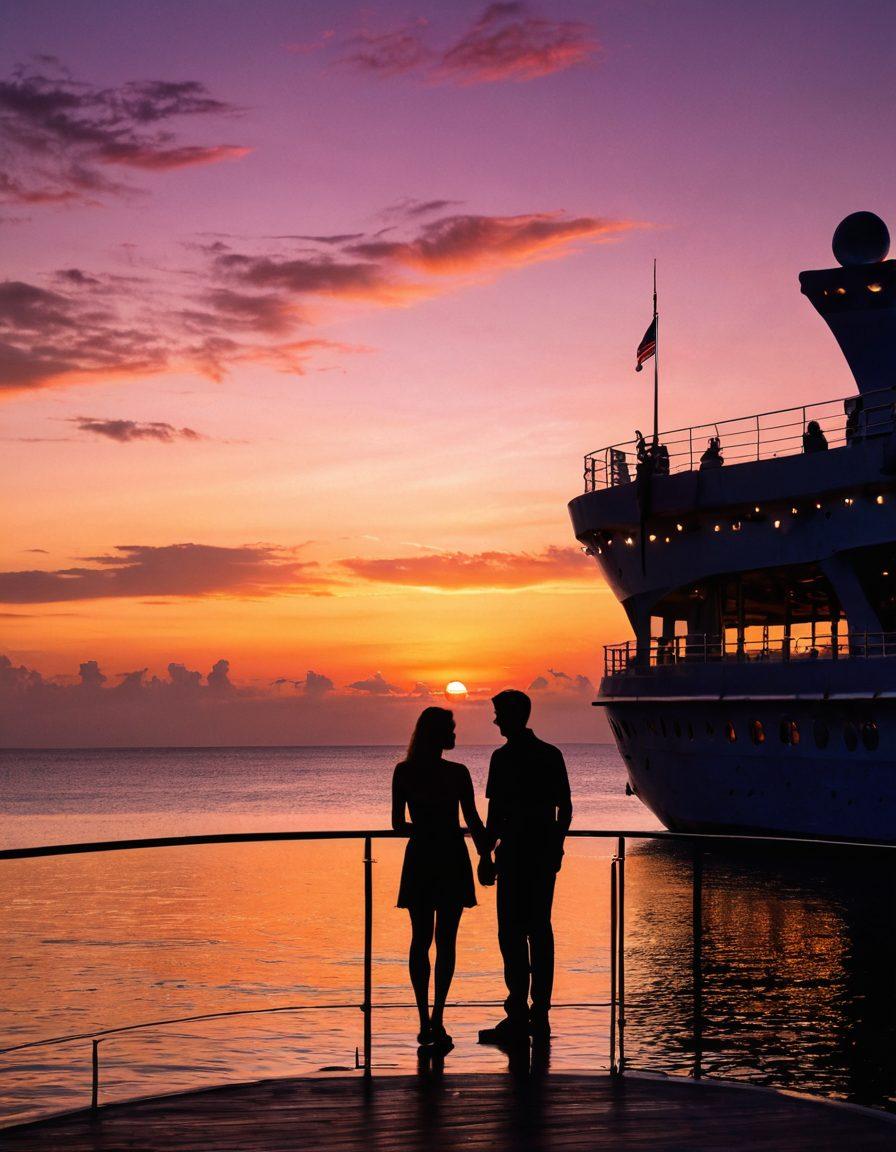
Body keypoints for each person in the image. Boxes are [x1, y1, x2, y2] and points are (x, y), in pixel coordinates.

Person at [478, 690, 572, 1046]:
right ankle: (536, 1014)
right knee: (537, 931)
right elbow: (565, 809)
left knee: (513, 933)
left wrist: (486, 856)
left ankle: (521, 1012)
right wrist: (556, 846)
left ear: (514, 715)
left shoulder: (503, 758)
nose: (495, 720)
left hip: (518, 854)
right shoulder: (550, 755)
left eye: (499, 714)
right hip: (538, 855)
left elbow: (495, 815)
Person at [392, 707, 488, 1052]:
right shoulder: (457, 773)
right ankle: (437, 1018)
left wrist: (425, 829)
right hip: (450, 855)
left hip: (421, 855)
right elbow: (473, 820)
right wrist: (485, 855)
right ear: (437, 733)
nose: (455, 734)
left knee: (421, 940)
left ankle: (424, 1022)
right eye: (450, 728)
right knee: (445, 941)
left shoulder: (404, 772)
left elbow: (397, 824)